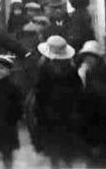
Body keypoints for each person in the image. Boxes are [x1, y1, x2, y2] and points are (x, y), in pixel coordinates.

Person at [33, 35, 84, 169]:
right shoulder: (72, 69)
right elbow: (79, 90)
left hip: (49, 113)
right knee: (67, 146)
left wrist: (38, 113)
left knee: (52, 146)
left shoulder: (43, 68)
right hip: (68, 112)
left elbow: (39, 92)